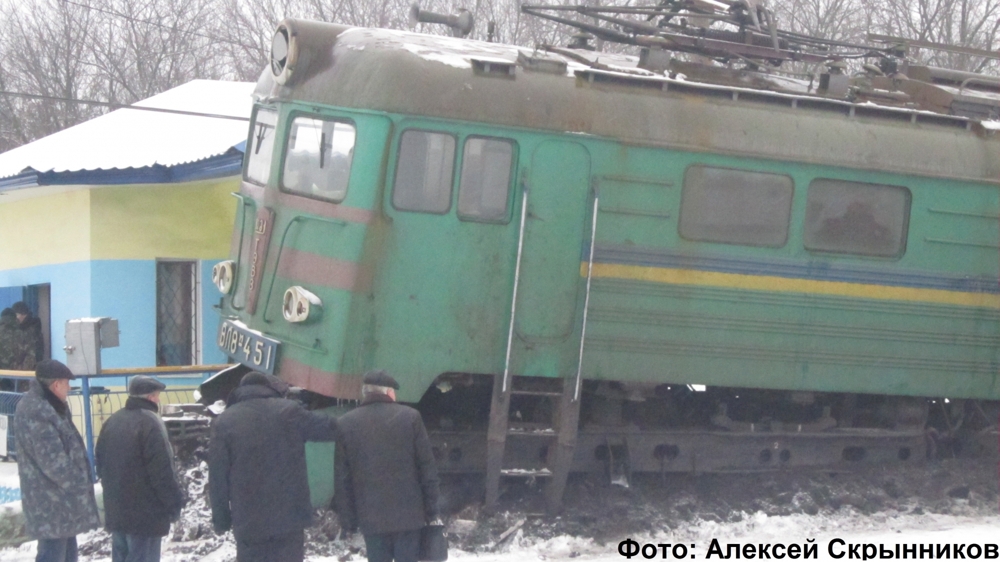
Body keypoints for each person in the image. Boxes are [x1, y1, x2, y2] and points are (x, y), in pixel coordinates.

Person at [208, 372, 338, 562]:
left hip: (248, 521)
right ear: (270, 388)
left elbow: (218, 477)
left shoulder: (225, 422)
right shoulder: (289, 412)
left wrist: (221, 519)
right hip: (290, 519)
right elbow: (330, 428)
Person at [334, 370, 441, 562]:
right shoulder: (411, 418)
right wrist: (432, 509)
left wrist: (348, 521)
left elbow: (343, 478)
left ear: (365, 393)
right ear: (389, 392)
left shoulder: (346, 424)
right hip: (409, 518)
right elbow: (427, 468)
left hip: (371, 519)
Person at [14, 359, 101, 562]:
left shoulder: (52, 406)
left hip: (61, 503)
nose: (69, 388)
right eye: (66, 383)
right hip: (50, 504)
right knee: (52, 555)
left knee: (67, 555)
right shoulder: (36, 411)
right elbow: (53, 462)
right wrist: (81, 484)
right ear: (55, 385)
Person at [96, 375, 186, 562]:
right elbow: (162, 472)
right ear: (151, 397)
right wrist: (174, 504)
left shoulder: (112, 421)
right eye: (157, 395)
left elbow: (100, 463)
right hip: (146, 516)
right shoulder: (151, 423)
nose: (159, 400)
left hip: (117, 512)